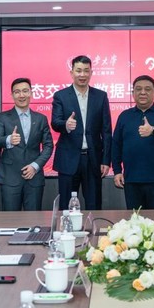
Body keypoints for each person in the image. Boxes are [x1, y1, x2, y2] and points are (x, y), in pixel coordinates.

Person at [51, 55, 113, 210]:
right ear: (72, 72)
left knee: (94, 205)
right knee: (66, 206)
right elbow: (55, 122)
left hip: (93, 160)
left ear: (91, 73)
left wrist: (106, 160)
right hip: (68, 159)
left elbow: (106, 131)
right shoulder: (61, 96)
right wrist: (66, 124)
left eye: (86, 71)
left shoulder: (100, 96)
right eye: (78, 70)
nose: (82, 74)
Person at [111, 75, 154, 209]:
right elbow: (116, 145)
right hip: (131, 180)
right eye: (138, 89)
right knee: (135, 219)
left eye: (147, 89)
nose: (143, 92)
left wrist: (153, 130)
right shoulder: (124, 116)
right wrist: (117, 171)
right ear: (133, 93)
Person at [0, 78, 54, 211]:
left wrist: (35, 166)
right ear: (12, 95)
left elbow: (48, 146)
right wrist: (8, 139)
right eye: (17, 92)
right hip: (10, 178)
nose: (21, 95)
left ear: (31, 93)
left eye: (25, 91)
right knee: (10, 219)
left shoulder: (41, 119)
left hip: (34, 178)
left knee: (34, 219)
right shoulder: (2, 117)